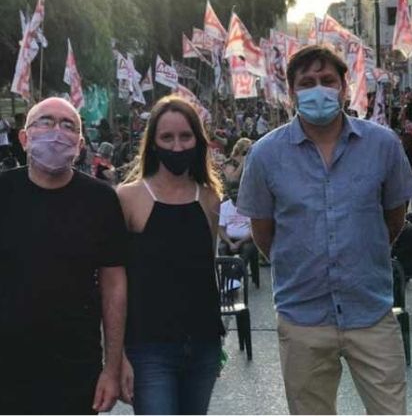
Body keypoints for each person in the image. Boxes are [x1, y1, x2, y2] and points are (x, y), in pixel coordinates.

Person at [237, 45, 412, 415]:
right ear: (291, 93)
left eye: (326, 80)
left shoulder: (382, 145)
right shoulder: (265, 155)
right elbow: (263, 232)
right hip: (302, 316)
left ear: (344, 87)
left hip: (371, 310)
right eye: (307, 82)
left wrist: (361, 257)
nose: (318, 88)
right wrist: (304, 263)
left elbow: (394, 219)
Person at [0, 97, 127, 414]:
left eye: (68, 125)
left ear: (80, 144)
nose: (56, 131)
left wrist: (111, 369)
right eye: (45, 121)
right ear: (25, 138)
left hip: (76, 366)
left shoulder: (101, 200)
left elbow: (113, 285)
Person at [117, 96, 224, 415]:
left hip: (203, 345)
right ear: (152, 143)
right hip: (149, 348)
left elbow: (207, 270)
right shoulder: (128, 197)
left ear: (198, 141)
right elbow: (114, 281)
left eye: (185, 136)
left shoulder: (209, 198)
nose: (177, 146)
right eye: (167, 137)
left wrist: (218, 343)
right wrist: (116, 355)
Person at [218, 182, 259, 287]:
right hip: (229, 240)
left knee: (247, 250)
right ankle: (227, 279)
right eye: (232, 192)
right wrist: (230, 243)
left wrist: (240, 243)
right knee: (222, 248)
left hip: (247, 240)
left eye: (237, 191)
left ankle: (234, 279)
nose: (235, 194)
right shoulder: (223, 207)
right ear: (228, 194)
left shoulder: (249, 205)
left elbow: (253, 230)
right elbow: (221, 229)